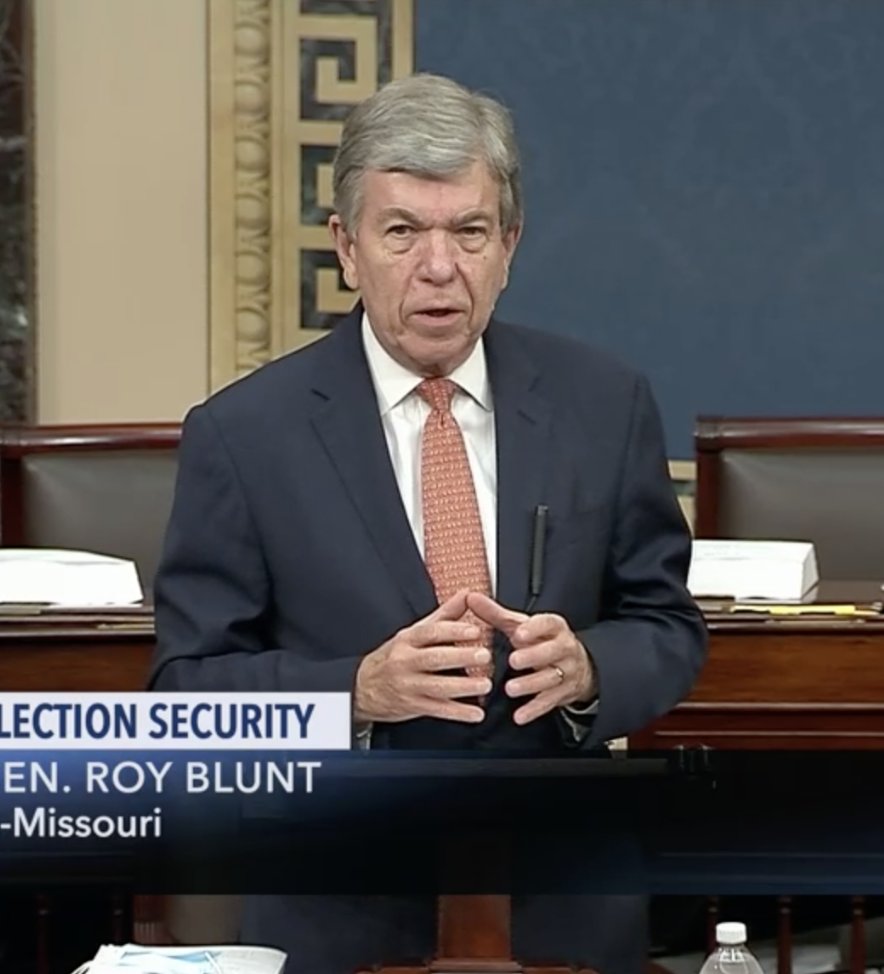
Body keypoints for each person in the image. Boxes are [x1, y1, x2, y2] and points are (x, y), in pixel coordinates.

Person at [149, 72, 707, 974]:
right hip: (341, 898)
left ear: (509, 246)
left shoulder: (605, 404)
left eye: (469, 232)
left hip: (563, 900)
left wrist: (591, 667)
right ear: (346, 246)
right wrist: (356, 691)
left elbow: (667, 625)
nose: (439, 267)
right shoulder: (244, 434)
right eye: (402, 231)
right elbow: (187, 687)